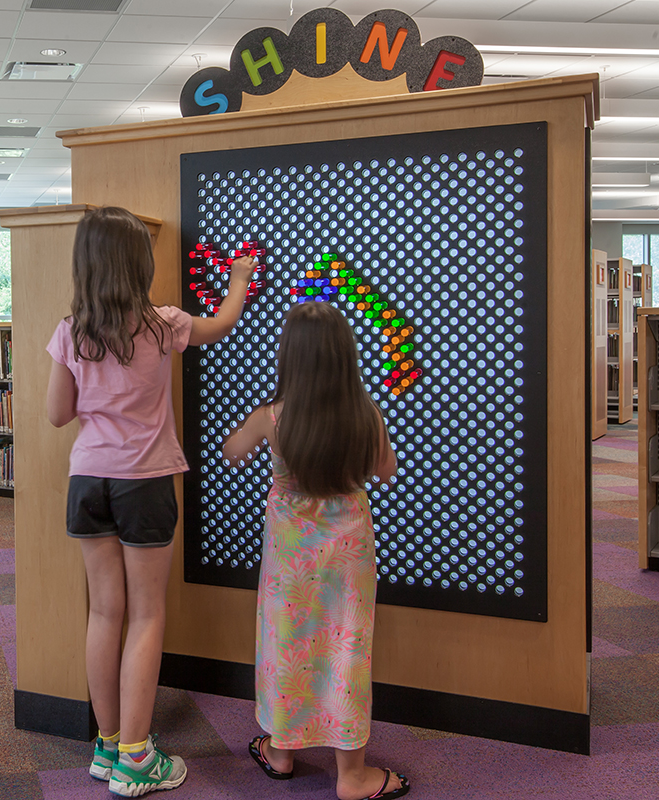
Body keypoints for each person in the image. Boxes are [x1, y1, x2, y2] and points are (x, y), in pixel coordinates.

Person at [45, 206, 257, 797]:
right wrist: (239, 279)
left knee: (103, 612)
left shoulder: (70, 332)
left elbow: (58, 414)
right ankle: (137, 758)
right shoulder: (163, 324)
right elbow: (223, 324)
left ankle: (108, 743)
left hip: (88, 482)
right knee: (145, 614)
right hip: (144, 483)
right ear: (140, 263)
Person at [222, 301, 409, 800]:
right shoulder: (367, 414)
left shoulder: (273, 416)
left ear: (290, 358)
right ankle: (352, 775)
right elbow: (386, 471)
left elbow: (233, 453)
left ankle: (281, 752)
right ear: (345, 356)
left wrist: (243, 434)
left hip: (289, 561)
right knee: (346, 649)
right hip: (347, 556)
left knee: (288, 644)